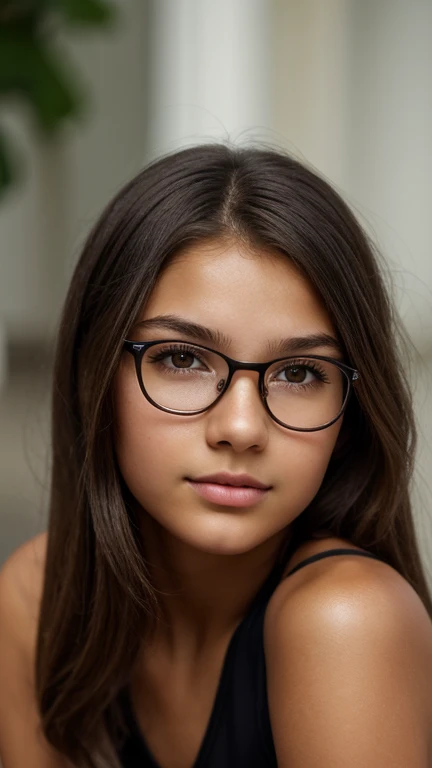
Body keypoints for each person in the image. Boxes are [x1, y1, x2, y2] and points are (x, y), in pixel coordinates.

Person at [0, 143, 432, 768]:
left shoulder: (346, 620)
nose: (240, 427)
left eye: (301, 372)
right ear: (95, 371)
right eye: (181, 358)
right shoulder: (36, 601)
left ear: (354, 406)